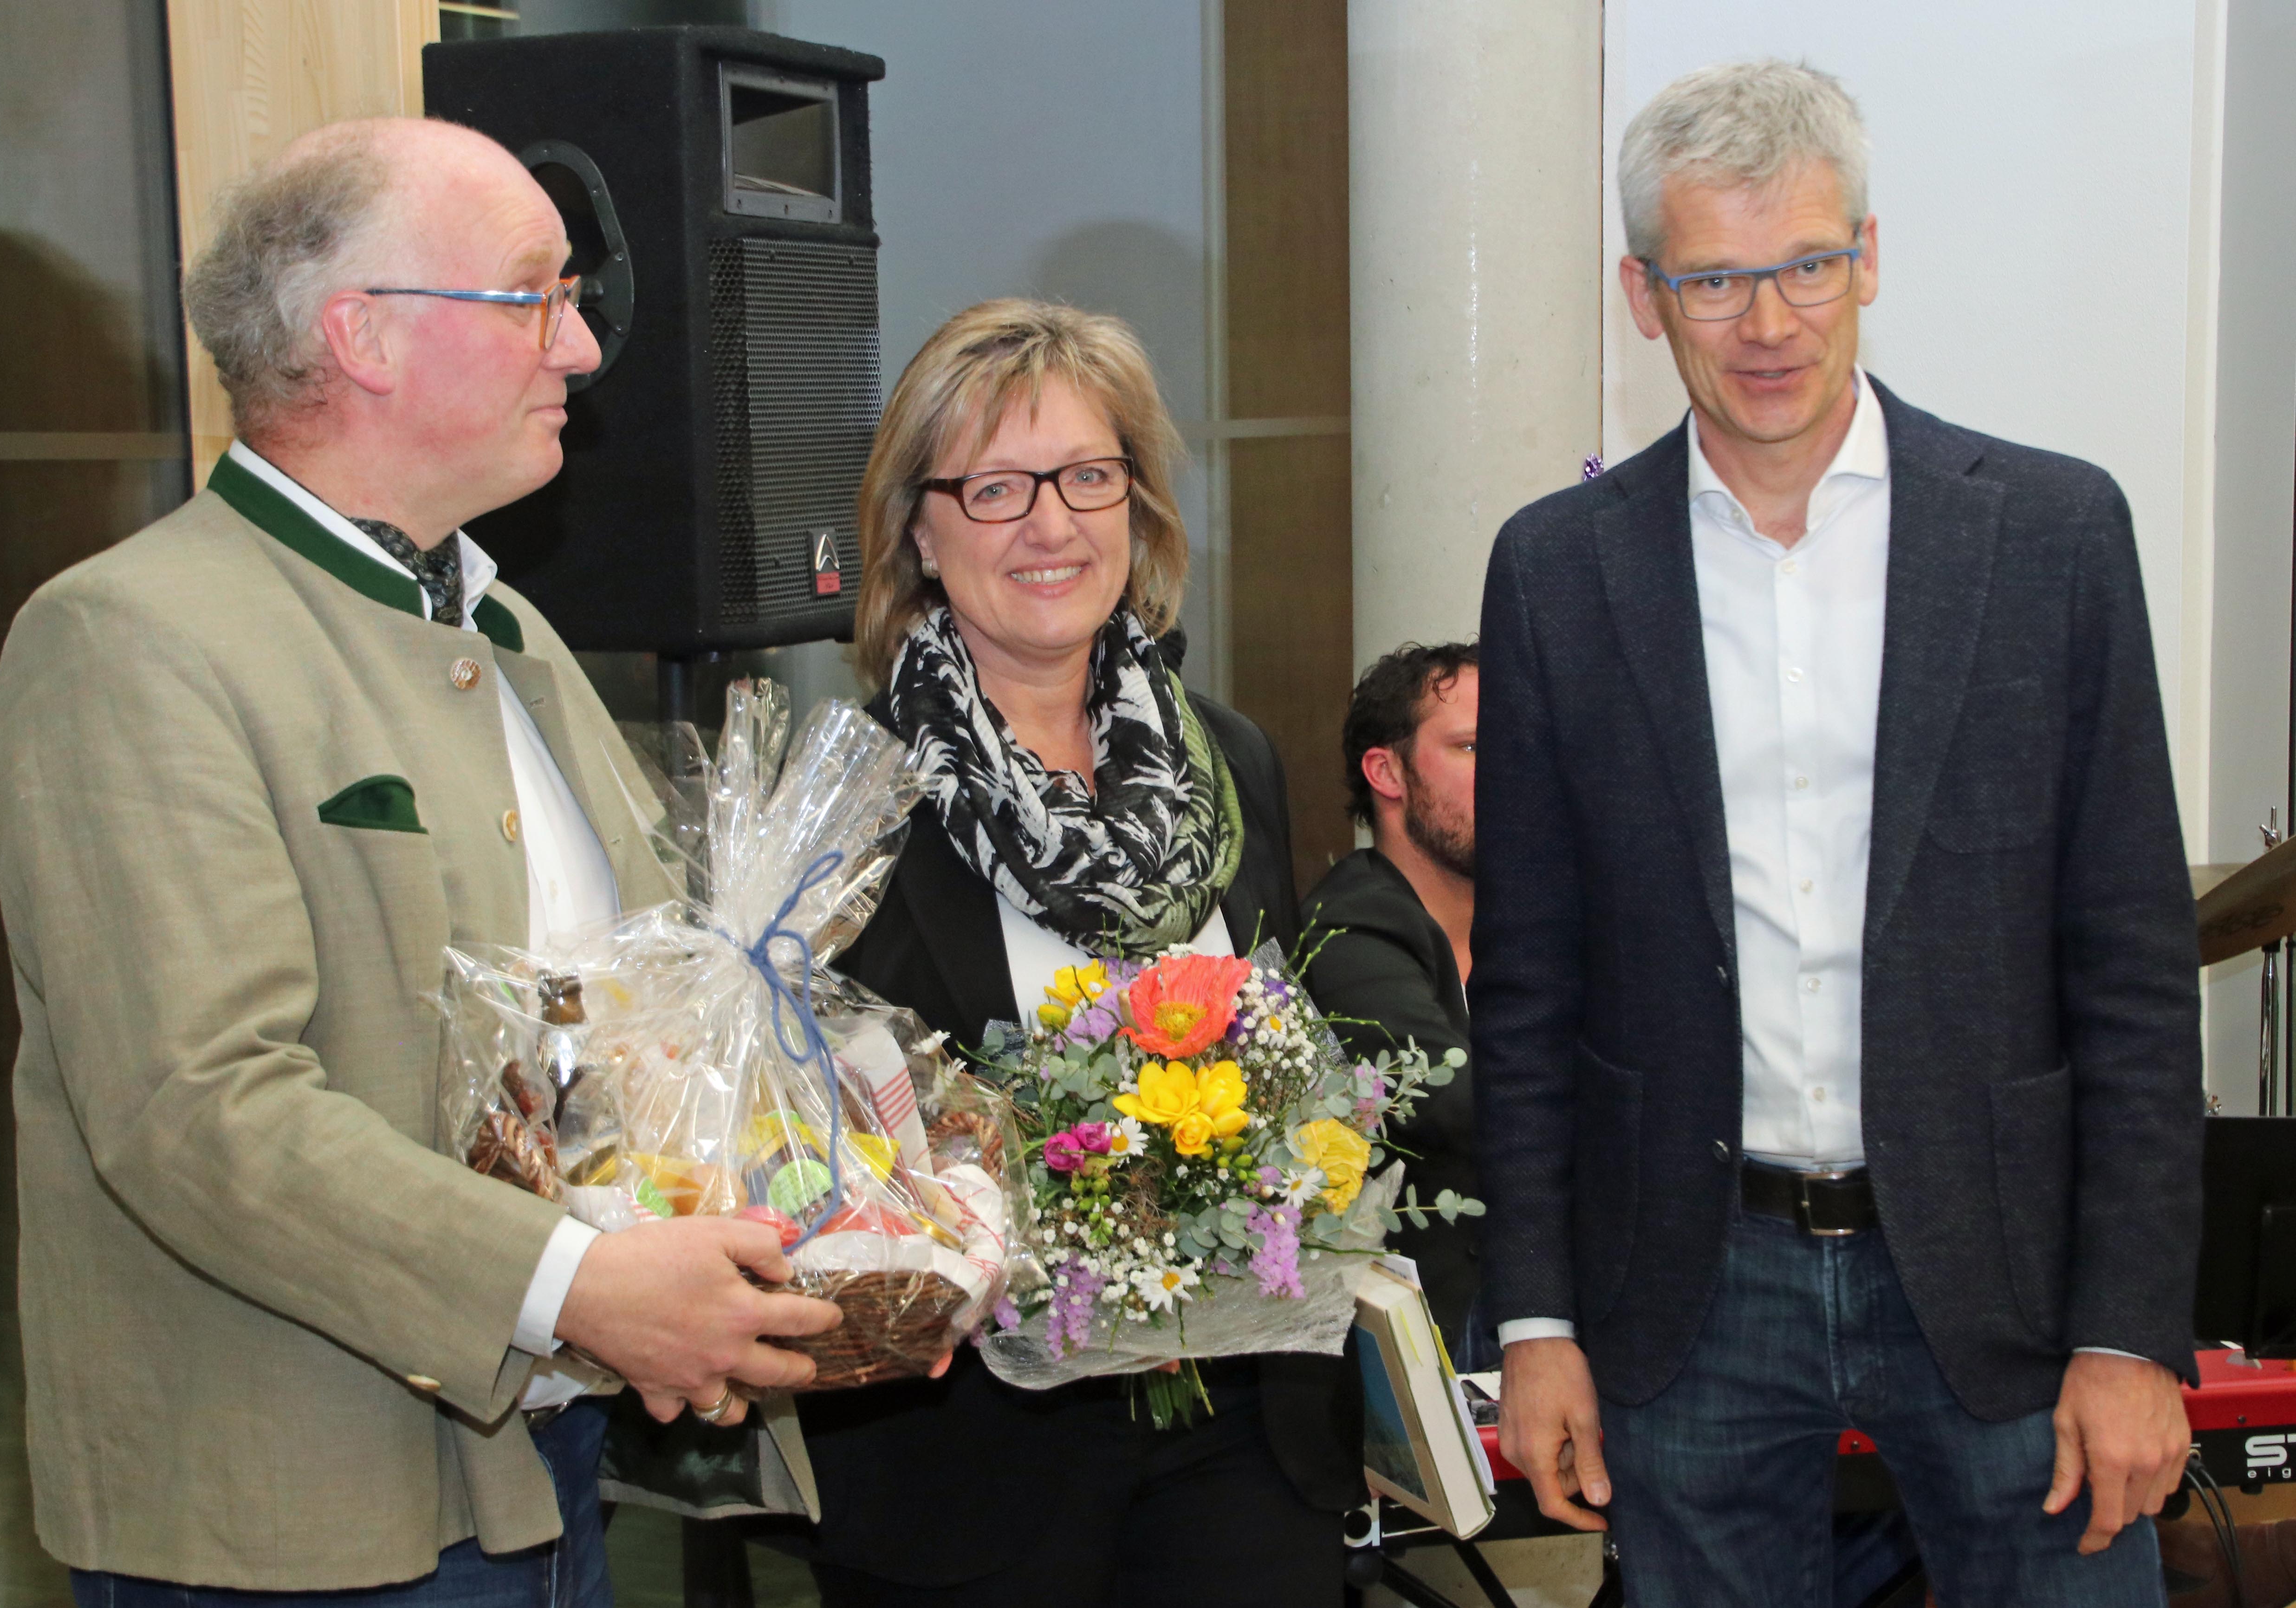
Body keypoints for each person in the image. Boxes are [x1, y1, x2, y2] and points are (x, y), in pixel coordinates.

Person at [0, 117, 840, 1607]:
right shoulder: (132, 637)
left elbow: (633, 1022)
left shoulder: (502, 626)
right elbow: (197, 1109)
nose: (583, 348)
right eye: (535, 298)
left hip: (546, 1469)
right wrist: (580, 1288)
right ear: (361, 336)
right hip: (297, 1518)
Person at [1473, 60, 2201, 1607]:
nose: (1768, 322)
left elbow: (2133, 968)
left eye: (1806, 264)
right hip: (1691, 1284)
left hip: (2005, 1281)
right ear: (1643, 295)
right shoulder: (1555, 571)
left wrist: (2132, 1330)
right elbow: (1527, 988)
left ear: (1868, 258)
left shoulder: (2052, 535)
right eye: (1715, 279)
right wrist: (1533, 1322)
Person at [796, 299, 1359, 1607]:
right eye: (994, 489)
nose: (1050, 526)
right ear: (918, 533)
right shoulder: (848, 797)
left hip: (1241, 1432)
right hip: (971, 1464)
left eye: (1087, 477)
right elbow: (800, 1140)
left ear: (1137, 506)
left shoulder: (1231, 760)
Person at [1300, 642, 1482, 1354]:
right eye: (1471, 747)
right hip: (1419, 1342)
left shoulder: (1543, 922)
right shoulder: (1351, 922)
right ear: (1386, 772)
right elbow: (1448, 1100)